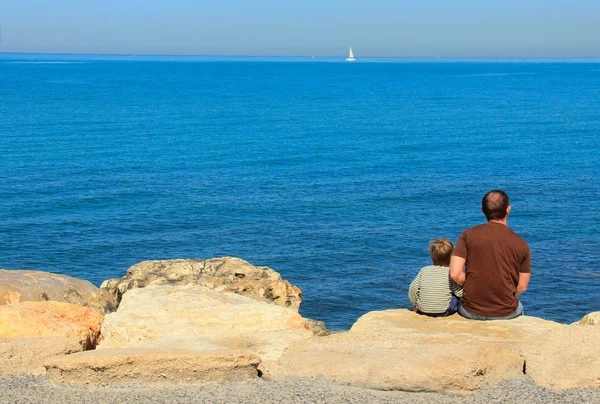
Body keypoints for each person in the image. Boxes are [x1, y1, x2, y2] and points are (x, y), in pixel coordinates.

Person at [450, 190, 531, 320]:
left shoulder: (467, 235)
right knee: (519, 306)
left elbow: (455, 273)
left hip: (470, 310)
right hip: (506, 312)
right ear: (508, 209)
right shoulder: (521, 244)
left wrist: (473, 283)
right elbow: (522, 286)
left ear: (483, 210)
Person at [408, 238, 463, 317]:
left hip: (423, 310)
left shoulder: (424, 270)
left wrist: (415, 304)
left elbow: (413, 288)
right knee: (457, 295)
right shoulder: (450, 272)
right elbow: (459, 293)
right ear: (451, 257)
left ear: (432, 256)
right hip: (444, 312)